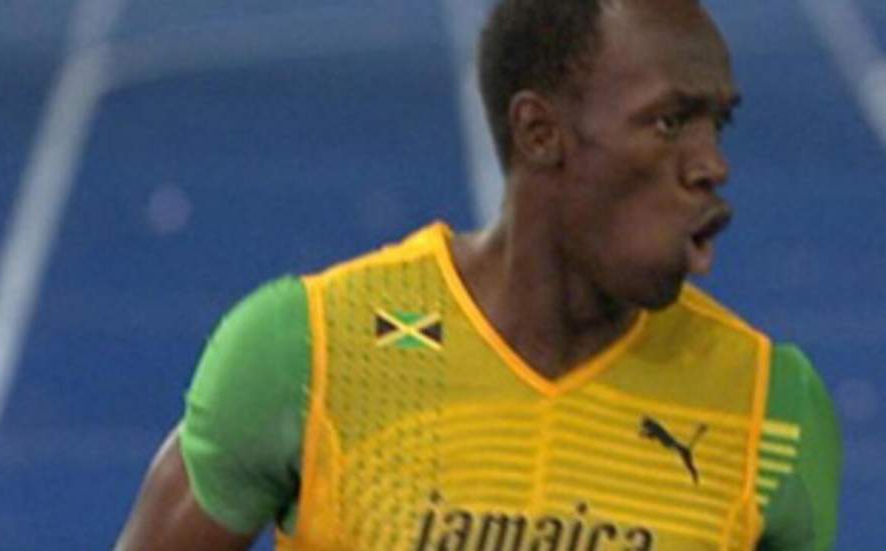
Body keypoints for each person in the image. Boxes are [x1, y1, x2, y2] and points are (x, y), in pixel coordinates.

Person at [116, 0, 841, 549]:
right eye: (669, 122)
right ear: (539, 133)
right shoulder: (310, 352)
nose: (712, 163)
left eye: (719, 124)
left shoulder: (771, 410)